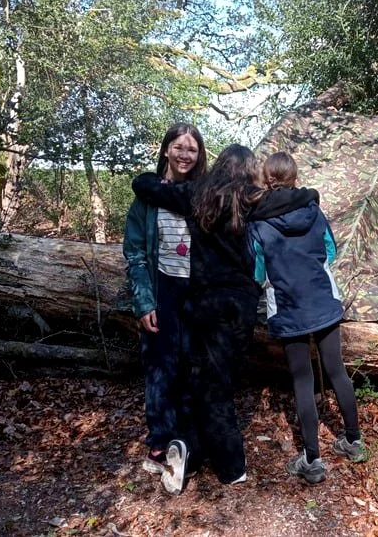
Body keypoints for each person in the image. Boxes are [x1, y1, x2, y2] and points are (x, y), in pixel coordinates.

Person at [131, 144, 319, 489]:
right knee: (218, 386)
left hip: (199, 303)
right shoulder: (253, 197)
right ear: (250, 171)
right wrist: (309, 193)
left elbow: (145, 185)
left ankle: (189, 448)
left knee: (197, 380)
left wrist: (150, 177)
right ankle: (232, 468)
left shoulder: (195, 193)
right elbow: (296, 199)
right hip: (237, 305)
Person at [248, 151, 365, 485]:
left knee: (303, 381)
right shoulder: (313, 211)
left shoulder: (258, 222)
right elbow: (330, 250)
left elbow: (258, 270)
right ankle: (353, 441)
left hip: (288, 308)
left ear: (266, 180)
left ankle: (312, 461)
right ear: (295, 177)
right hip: (324, 302)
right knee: (337, 370)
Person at [122, 122, 207, 496]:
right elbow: (135, 254)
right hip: (162, 289)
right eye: (179, 147)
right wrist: (143, 301)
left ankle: (185, 445)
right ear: (166, 150)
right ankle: (160, 444)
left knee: (192, 366)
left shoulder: (203, 194)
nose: (185, 154)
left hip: (198, 293)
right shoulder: (147, 197)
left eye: (192, 148)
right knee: (160, 366)